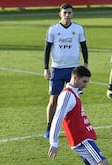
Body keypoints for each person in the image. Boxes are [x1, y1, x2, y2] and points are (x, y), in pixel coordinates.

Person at [43, 3, 88, 138]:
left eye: (69, 13)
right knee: (54, 99)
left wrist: (85, 64)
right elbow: (47, 49)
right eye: (64, 13)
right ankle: (49, 126)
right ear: (60, 14)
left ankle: (76, 127)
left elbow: (84, 46)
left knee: (75, 100)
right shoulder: (53, 30)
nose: (67, 15)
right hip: (56, 68)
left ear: (72, 14)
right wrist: (46, 68)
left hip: (74, 69)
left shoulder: (78, 29)